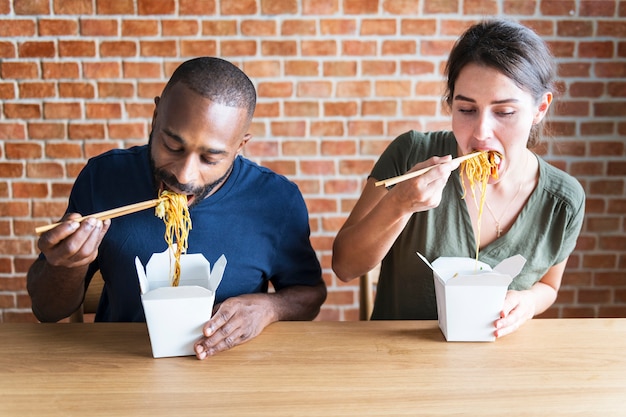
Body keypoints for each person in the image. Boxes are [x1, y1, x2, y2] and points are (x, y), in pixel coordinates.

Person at [27, 57, 327, 359]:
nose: (184, 176)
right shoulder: (103, 178)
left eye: (210, 159)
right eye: (173, 146)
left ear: (239, 146)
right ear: (156, 117)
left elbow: (311, 295)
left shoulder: (276, 200)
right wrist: (66, 265)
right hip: (118, 364)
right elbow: (47, 310)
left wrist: (269, 308)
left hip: (233, 376)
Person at [332, 20, 585, 338]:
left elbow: (548, 285)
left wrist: (529, 301)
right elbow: (344, 266)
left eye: (504, 112)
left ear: (540, 108)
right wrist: (400, 203)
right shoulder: (412, 154)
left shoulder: (562, 201)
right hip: (396, 362)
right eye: (466, 109)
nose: (481, 133)